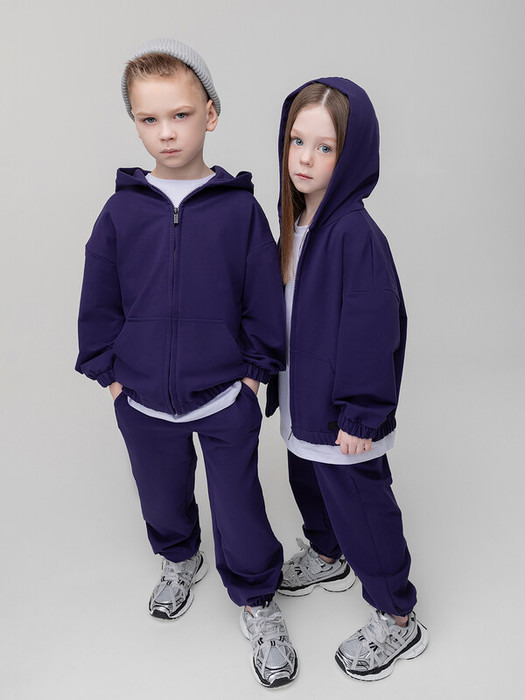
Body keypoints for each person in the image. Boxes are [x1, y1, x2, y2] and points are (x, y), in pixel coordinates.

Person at [75, 38, 297, 689]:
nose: (166, 132)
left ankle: (257, 600)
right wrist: (110, 376)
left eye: (180, 115)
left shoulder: (238, 209)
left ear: (211, 114)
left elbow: (263, 297)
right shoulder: (122, 210)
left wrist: (253, 375)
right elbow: (99, 297)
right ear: (135, 123)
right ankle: (179, 559)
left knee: (239, 507)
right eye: (149, 119)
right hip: (142, 396)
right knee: (161, 495)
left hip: (224, 394)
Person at [266, 77, 429, 681]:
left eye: (325, 147)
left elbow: (372, 329)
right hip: (303, 403)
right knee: (307, 483)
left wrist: (362, 413)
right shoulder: (295, 223)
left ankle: (397, 616)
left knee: (362, 507)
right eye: (297, 141)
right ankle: (327, 554)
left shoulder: (355, 235)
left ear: (352, 154)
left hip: (343, 417)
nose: (305, 158)